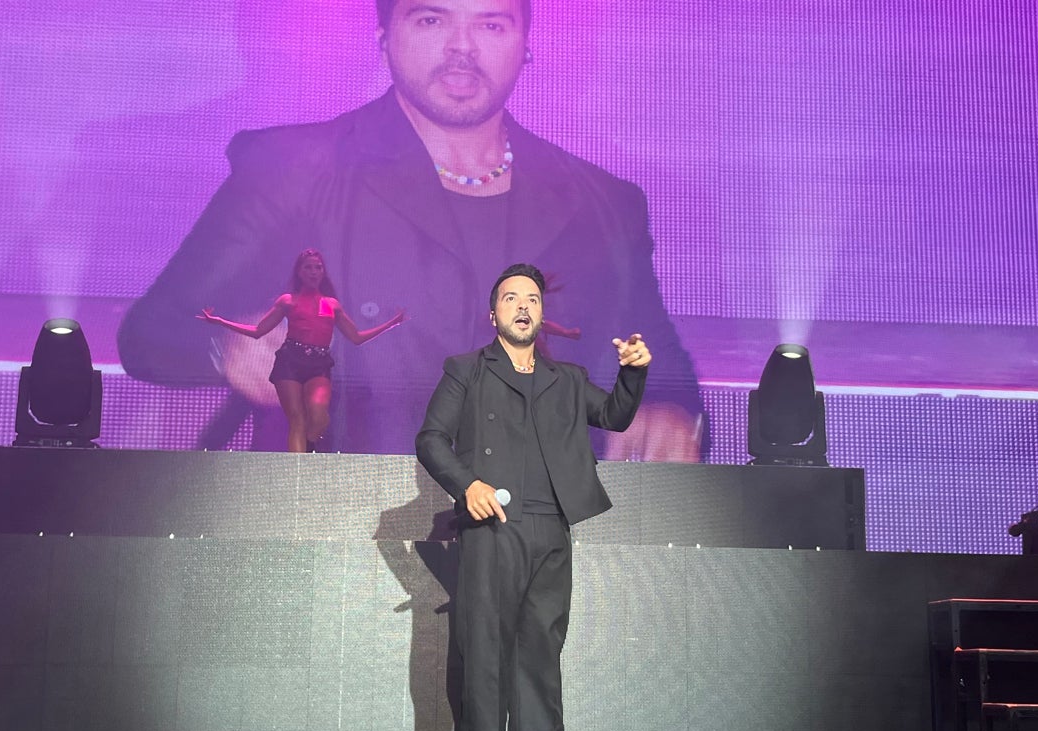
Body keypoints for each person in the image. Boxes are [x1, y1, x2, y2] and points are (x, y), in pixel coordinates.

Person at [117, 0, 703, 459]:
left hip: (537, 550)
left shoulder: (603, 205)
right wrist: (227, 347)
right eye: (431, 18)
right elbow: (151, 332)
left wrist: (668, 411)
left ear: (526, 45)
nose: (462, 48)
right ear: (384, 38)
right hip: (336, 541)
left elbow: (657, 363)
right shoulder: (294, 168)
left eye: (493, 25)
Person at [416, 264, 649, 731]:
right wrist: (465, 484)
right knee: (485, 658)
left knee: (539, 660)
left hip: (551, 529)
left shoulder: (565, 379)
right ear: (492, 313)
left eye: (533, 299)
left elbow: (615, 415)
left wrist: (632, 372)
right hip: (493, 526)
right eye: (511, 298)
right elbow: (430, 438)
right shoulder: (467, 370)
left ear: (542, 315)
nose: (523, 305)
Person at [196, 248, 404, 452]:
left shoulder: (332, 306)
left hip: (327, 377)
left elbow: (356, 337)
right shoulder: (285, 299)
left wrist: (390, 324)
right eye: (308, 268)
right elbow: (257, 330)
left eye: (317, 268)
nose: (313, 273)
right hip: (289, 374)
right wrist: (224, 337)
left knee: (316, 419)